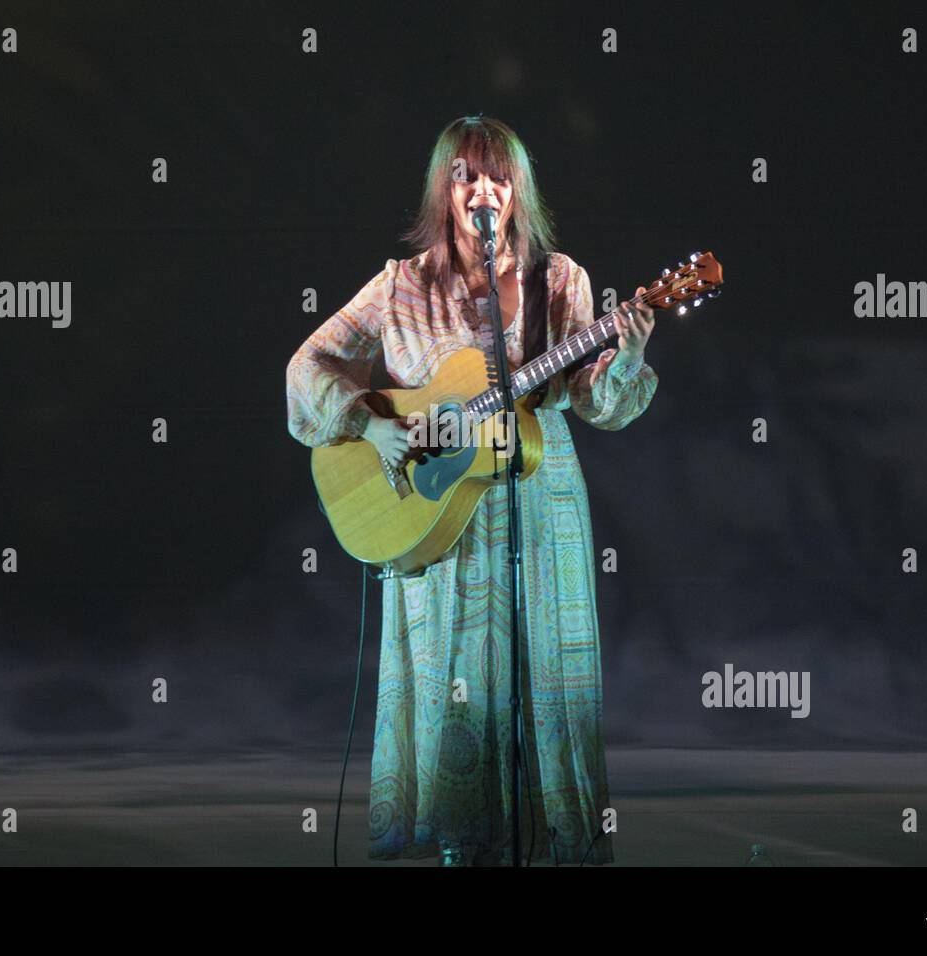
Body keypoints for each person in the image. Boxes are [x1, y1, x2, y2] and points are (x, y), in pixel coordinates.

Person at [285, 116, 658, 865]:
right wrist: (368, 423)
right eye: (466, 176)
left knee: (546, 685)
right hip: (434, 522)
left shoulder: (562, 282)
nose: (482, 189)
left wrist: (624, 358)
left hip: (539, 506)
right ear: (443, 189)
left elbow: (596, 403)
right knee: (458, 689)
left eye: (497, 175)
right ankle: (466, 849)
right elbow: (308, 366)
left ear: (517, 189)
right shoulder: (400, 287)